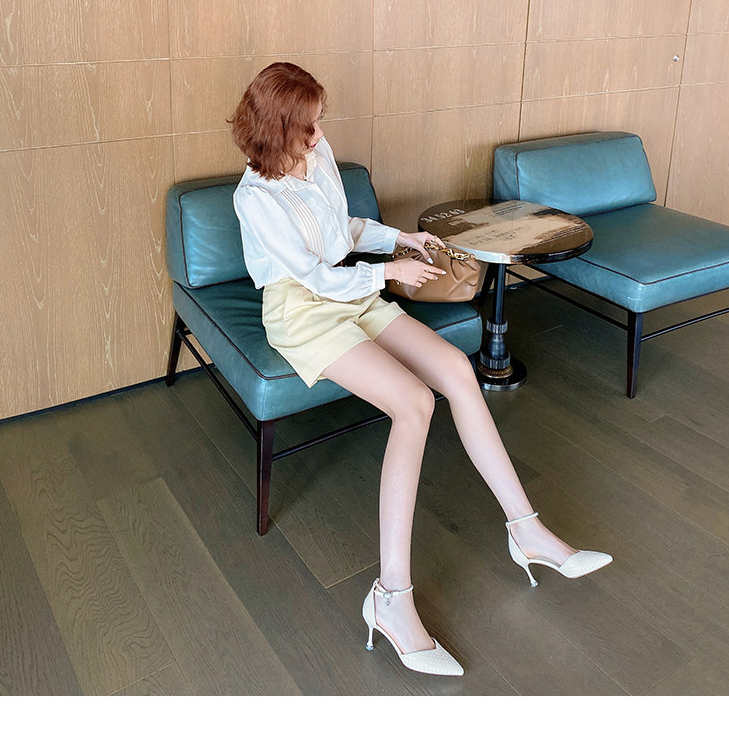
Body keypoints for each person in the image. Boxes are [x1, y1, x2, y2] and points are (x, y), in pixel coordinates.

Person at [230, 62, 612, 677]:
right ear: (278, 129)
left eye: (319, 120)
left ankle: (528, 531)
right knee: (413, 403)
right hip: (303, 312)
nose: (321, 133)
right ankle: (390, 597)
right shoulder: (254, 198)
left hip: (351, 291)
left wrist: (399, 239)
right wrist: (390, 272)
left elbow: (341, 229)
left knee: (456, 368)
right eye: (309, 125)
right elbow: (312, 275)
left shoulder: (317, 155)